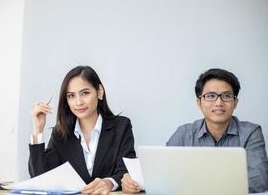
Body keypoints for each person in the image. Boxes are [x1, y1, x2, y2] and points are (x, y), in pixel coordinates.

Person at [121, 68, 268, 193]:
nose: (218, 102)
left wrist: (197, 185)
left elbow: (259, 181)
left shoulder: (251, 132)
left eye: (226, 96)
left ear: (235, 102)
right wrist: (133, 181)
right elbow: (162, 177)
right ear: (199, 102)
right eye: (210, 96)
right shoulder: (184, 133)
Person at [29, 66, 136, 194]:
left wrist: (109, 182)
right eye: (71, 96)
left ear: (99, 92)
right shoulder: (60, 133)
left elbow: (126, 171)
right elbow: (40, 178)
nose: (78, 102)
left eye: (85, 93)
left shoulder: (121, 126)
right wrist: (37, 130)